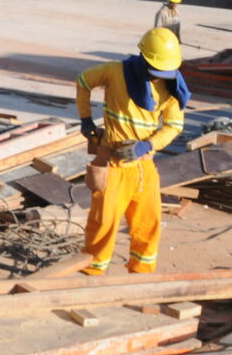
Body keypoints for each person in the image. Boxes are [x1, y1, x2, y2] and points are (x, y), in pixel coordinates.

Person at [75, 27, 188, 276]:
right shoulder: (116, 72)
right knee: (103, 222)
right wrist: (86, 120)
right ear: (144, 58)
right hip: (113, 163)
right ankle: (92, 274)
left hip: (143, 165)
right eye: (156, 71)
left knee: (148, 223)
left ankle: (141, 274)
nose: (159, 77)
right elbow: (83, 80)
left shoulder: (172, 88)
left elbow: (174, 126)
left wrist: (148, 145)